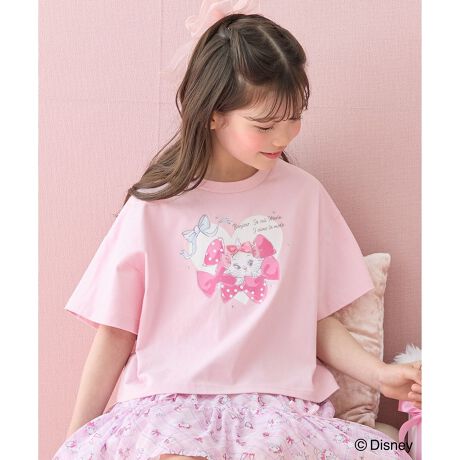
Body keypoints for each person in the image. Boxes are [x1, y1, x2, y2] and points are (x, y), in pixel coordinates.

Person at [52, 6, 421, 460]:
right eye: (264, 125)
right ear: (213, 115)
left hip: (277, 408)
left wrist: (380, 375)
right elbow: (115, 334)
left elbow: (314, 319)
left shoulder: (304, 196)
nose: (283, 137)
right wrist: (76, 439)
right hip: (165, 405)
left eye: (295, 117)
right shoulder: (153, 207)